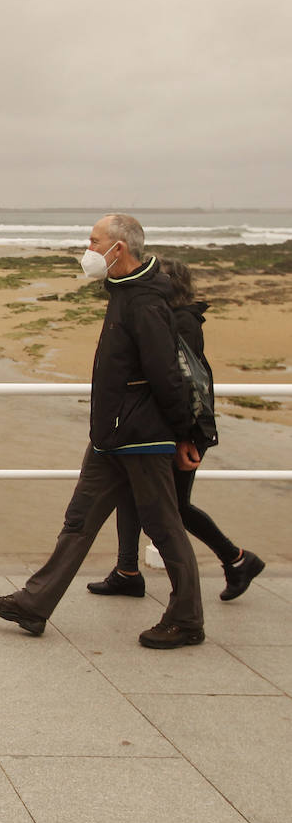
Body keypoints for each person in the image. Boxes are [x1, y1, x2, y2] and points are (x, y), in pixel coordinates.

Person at [0, 214, 206, 649]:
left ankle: (187, 618)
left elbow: (166, 376)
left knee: (164, 527)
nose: (87, 248)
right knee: (80, 521)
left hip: (140, 435)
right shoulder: (125, 292)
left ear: (117, 248)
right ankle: (33, 604)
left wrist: (185, 435)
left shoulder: (144, 301)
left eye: (93, 240)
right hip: (111, 435)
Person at [86, 257, 264, 601]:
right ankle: (127, 571)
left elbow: (180, 381)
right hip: (166, 425)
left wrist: (187, 434)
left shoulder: (180, 322)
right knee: (133, 494)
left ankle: (237, 559)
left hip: (180, 429)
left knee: (174, 507)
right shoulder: (168, 317)